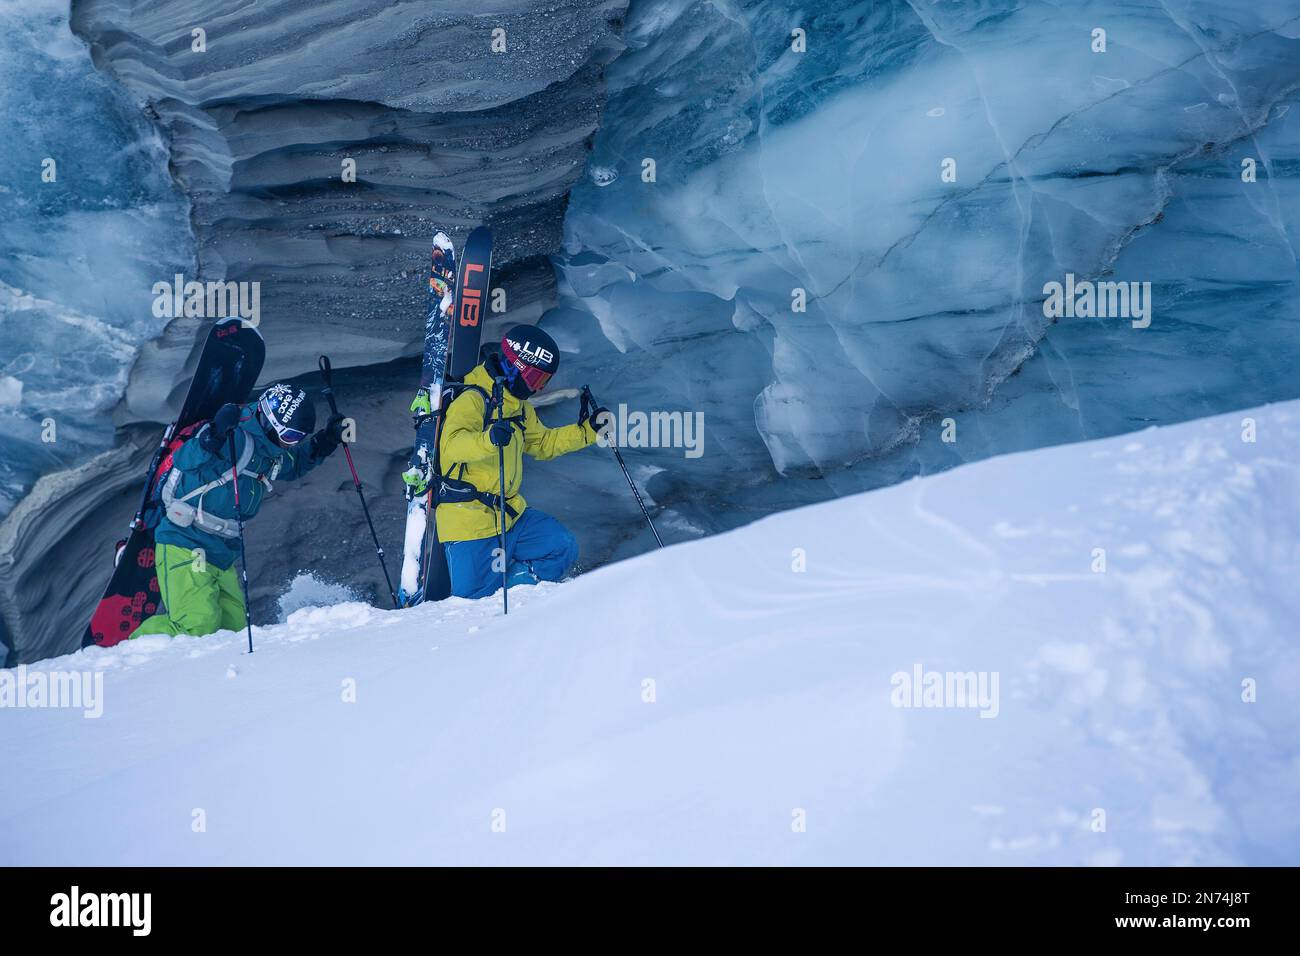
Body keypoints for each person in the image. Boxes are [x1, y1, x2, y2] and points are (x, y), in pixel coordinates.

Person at [408, 324, 608, 599]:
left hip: (511, 516)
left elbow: (542, 443)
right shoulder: (473, 399)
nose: (538, 389)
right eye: (536, 379)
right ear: (517, 367)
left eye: (544, 382)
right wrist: (489, 439)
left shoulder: (518, 404)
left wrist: (588, 431)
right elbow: (453, 447)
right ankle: (498, 606)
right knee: (471, 604)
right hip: (470, 523)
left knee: (561, 546)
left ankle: (512, 596)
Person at [131, 384, 346, 638]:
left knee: (232, 632)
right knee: (199, 624)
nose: (292, 444)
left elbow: (294, 464)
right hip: (187, 542)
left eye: (298, 438)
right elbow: (185, 460)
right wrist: (215, 434)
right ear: (269, 422)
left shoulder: (270, 452)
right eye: (289, 437)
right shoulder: (233, 437)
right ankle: (132, 652)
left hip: (222, 552)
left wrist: (326, 441)